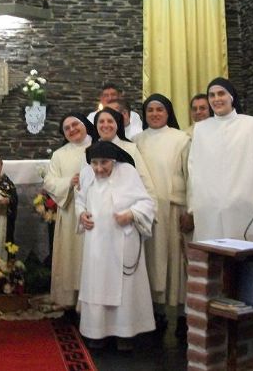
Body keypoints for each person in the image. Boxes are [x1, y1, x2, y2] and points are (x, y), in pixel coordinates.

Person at [76, 141, 156, 351]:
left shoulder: (127, 172)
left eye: (104, 163)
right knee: (97, 284)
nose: (99, 168)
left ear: (114, 161)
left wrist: (131, 214)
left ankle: (125, 332)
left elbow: (147, 203)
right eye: (95, 163)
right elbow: (80, 201)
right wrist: (81, 215)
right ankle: (96, 332)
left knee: (124, 288)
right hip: (96, 243)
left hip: (123, 240)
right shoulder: (86, 173)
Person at [187, 77, 253, 241]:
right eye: (212, 95)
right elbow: (194, 167)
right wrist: (196, 203)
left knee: (239, 253)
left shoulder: (251, 124)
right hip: (208, 206)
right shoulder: (201, 128)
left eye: (221, 94)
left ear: (231, 97)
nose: (216, 99)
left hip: (242, 203)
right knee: (212, 258)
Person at [135, 94, 191, 338]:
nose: (155, 114)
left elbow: (191, 176)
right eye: (150, 110)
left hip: (172, 209)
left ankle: (177, 314)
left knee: (172, 261)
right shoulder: (137, 140)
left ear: (168, 113)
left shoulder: (182, 139)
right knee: (147, 260)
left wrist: (190, 208)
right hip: (145, 211)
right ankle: (151, 312)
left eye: (160, 109)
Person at [43, 113, 97, 311]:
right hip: (69, 212)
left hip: (94, 212)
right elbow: (49, 181)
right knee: (70, 259)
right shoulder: (60, 154)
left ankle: (90, 304)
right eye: (67, 128)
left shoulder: (97, 146)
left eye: (76, 125)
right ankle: (69, 304)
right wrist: (69, 182)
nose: (72, 130)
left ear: (85, 125)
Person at [93, 107, 157, 202]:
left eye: (110, 121)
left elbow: (145, 182)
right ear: (96, 125)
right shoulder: (89, 151)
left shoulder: (130, 149)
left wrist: (151, 212)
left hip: (126, 210)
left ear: (117, 125)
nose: (105, 125)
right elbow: (83, 186)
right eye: (101, 121)